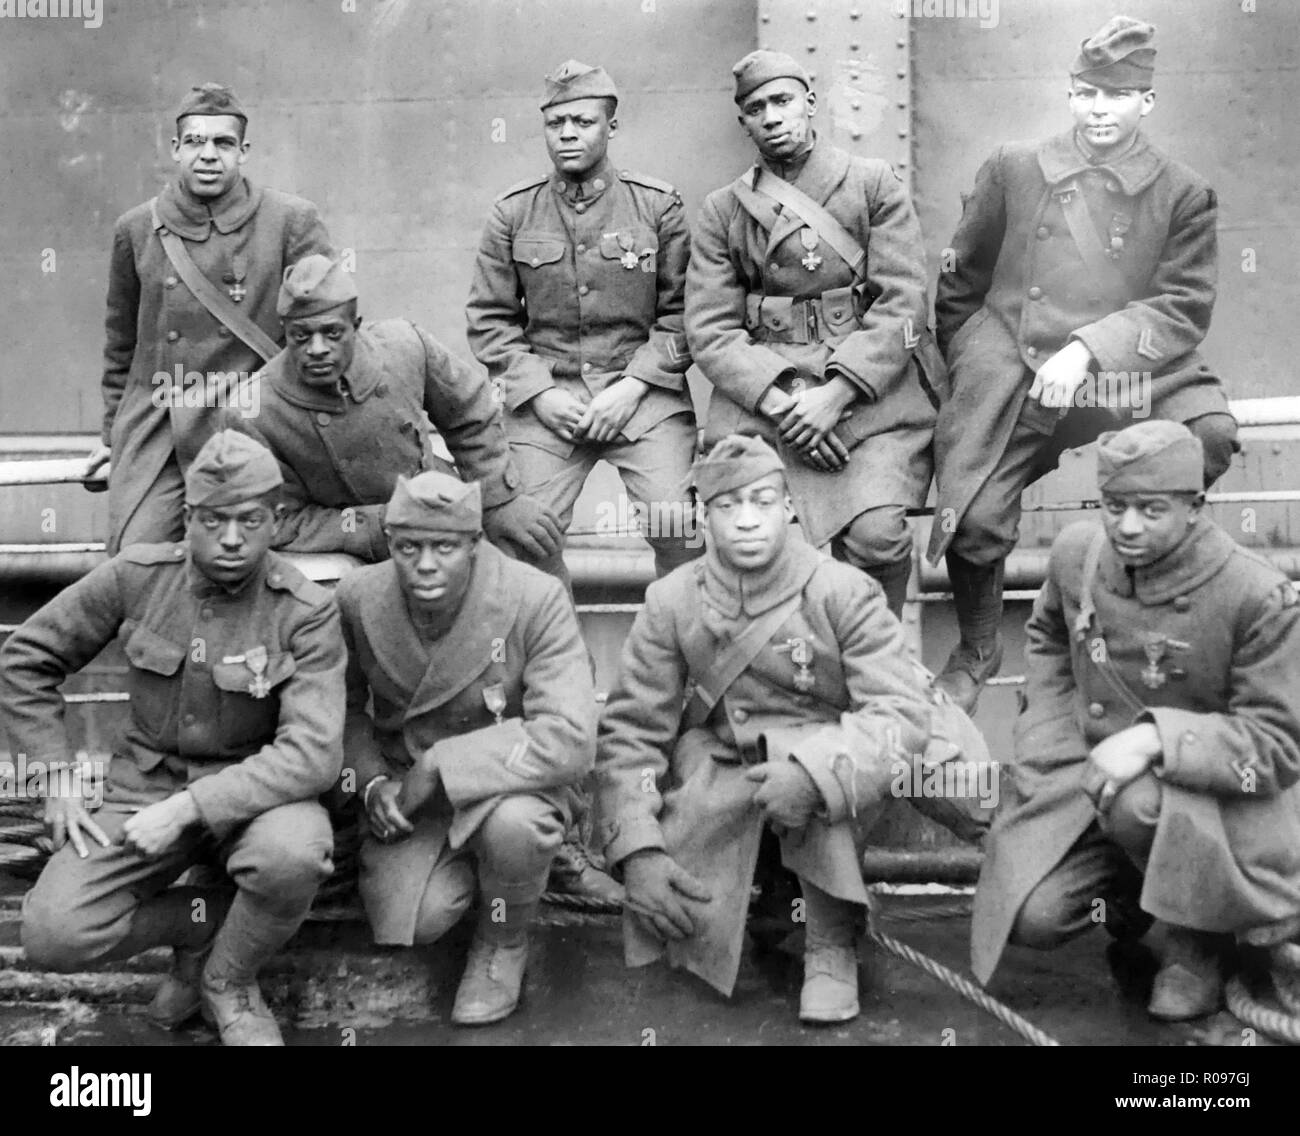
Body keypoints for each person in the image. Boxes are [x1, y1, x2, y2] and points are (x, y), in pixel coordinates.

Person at [594, 435, 984, 1023]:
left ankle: (831, 946)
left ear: (789, 508)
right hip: (732, 760)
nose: (747, 521)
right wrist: (636, 848)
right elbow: (631, 733)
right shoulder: (672, 601)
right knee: (688, 917)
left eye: (762, 501)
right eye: (728, 506)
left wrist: (815, 775)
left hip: (845, 744)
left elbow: (897, 714)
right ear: (705, 515)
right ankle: (779, 902)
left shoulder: (842, 589)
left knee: (835, 769)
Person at [929, 16, 1238, 712]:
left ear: (1146, 103)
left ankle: (1113, 588)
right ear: (1070, 95)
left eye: (1118, 96)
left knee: (1208, 437)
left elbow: (1183, 309)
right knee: (973, 520)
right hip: (1019, 360)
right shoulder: (1014, 166)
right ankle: (978, 647)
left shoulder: (1182, 192)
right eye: (1087, 93)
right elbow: (959, 277)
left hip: (1126, 367)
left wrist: (1088, 348)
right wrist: (975, 368)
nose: (1100, 110)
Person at [6, 431, 346, 1045]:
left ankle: (228, 978)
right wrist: (53, 777)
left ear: (276, 520)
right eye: (214, 520)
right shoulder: (137, 577)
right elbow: (26, 658)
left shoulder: (304, 610)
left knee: (292, 854)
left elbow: (314, 753)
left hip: (257, 799)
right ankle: (201, 928)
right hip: (140, 789)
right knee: (53, 933)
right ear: (189, 518)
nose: (233, 538)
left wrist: (189, 809)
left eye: (250, 520)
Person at [971, 421, 1300, 1022]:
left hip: (1209, 802)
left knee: (1139, 804)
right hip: (1087, 777)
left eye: (1151, 510)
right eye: (1114, 506)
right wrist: (1048, 736)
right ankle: (1139, 903)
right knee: (1030, 918)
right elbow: (1046, 633)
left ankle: (1197, 942)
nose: (1126, 527)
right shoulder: (1078, 554)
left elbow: (1276, 746)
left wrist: (1154, 739)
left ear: (1195, 505)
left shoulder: (1256, 595)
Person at [685, 50, 943, 619]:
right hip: (767, 402)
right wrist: (787, 405)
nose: (772, 117)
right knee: (747, 538)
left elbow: (903, 304)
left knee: (877, 536)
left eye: (782, 101)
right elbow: (710, 330)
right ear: (744, 123)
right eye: (756, 108)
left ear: (810, 103)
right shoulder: (723, 210)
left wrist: (837, 394)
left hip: (868, 398)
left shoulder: (872, 185)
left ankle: (878, 659)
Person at [337, 472, 596, 1024]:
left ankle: (504, 939)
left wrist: (442, 764)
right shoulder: (359, 597)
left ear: (475, 545)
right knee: (420, 920)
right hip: (412, 801)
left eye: (445, 547)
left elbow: (570, 738)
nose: (425, 564)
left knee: (515, 827)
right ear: (390, 545)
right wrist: (370, 782)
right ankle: (490, 878)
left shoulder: (532, 597)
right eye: (409, 547)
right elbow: (340, 709)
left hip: (513, 784)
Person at [467, 59, 700, 587]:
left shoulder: (657, 206)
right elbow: (490, 321)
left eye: (584, 121)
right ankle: (557, 660)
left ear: (610, 126)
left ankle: (684, 661)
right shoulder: (512, 213)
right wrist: (540, 394)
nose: (568, 133)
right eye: (556, 123)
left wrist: (634, 387)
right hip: (549, 399)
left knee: (676, 526)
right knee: (522, 532)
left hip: (643, 398)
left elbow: (684, 314)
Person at [87, 83, 333, 555]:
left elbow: (327, 329)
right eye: (196, 142)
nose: (208, 155)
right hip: (161, 422)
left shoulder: (291, 220)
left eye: (223, 143)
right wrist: (112, 434)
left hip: (254, 421)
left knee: (246, 553)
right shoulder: (136, 229)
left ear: (243, 152)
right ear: (176, 149)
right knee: (137, 558)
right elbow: (121, 345)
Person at [224, 254, 560, 564]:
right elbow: (280, 520)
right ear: (285, 333)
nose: (317, 349)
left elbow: (470, 413)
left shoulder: (403, 346)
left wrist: (498, 499)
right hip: (350, 543)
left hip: (440, 505)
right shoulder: (255, 410)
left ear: (355, 326)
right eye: (301, 336)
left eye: (332, 333)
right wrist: (380, 524)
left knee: (532, 551)